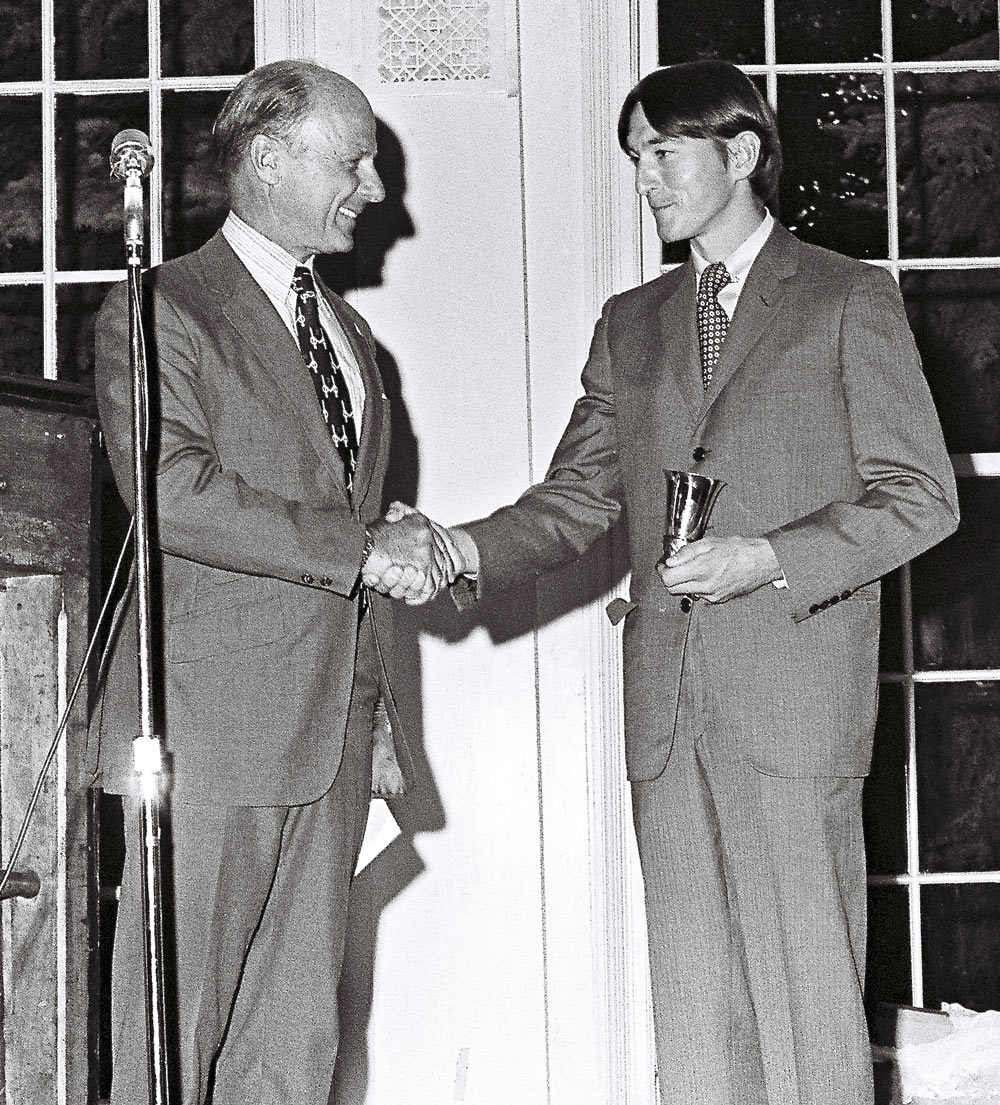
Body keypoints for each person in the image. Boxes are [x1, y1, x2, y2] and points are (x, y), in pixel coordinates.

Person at [381, 60, 960, 1105]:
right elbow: (576, 498)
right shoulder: (631, 321)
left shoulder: (845, 296)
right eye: (634, 156)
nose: (644, 177)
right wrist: (457, 548)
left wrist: (765, 556)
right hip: (665, 714)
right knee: (693, 1007)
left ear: (739, 153)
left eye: (662, 151)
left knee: (806, 998)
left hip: (792, 708)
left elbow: (921, 497)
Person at [89, 60, 446, 1105]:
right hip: (212, 728)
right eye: (354, 161)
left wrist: (376, 699)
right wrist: (359, 549)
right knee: (172, 1031)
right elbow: (169, 488)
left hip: (334, 732)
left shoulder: (349, 332)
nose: (374, 189)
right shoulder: (161, 307)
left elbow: (338, 508)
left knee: (292, 1047)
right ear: (269, 158)